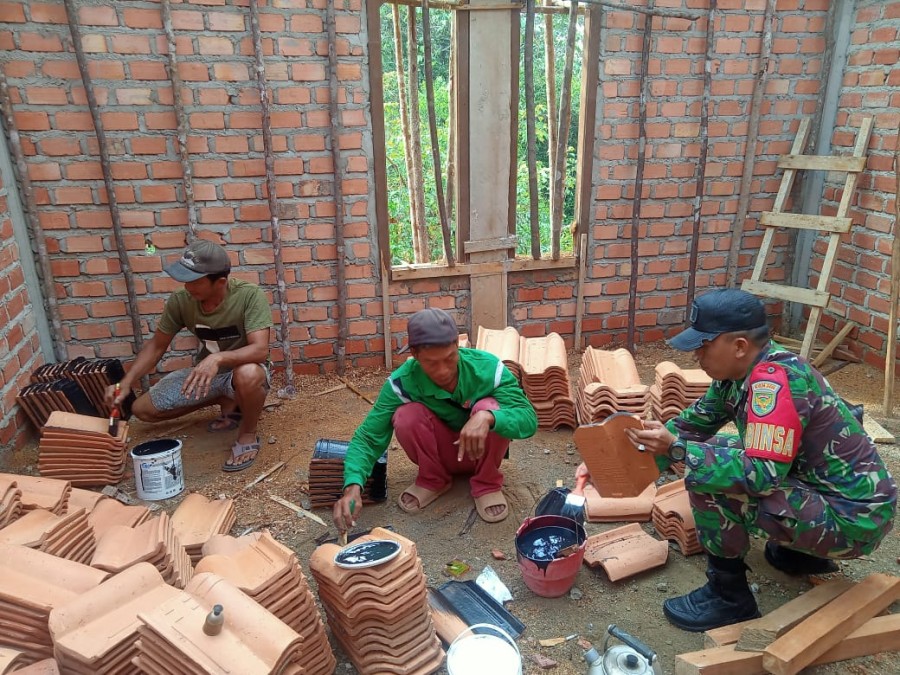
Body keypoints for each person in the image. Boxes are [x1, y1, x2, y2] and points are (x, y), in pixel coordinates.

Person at [585, 289, 896, 632]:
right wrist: (609, 463)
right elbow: (689, 426)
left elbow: (760, 475)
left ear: (739, 346)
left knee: (709, 476)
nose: (697, 355)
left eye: (704, 346)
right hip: (826, 490)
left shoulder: (773, 384)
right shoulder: (737, 376)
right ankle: (802, 553)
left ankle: (728, 596)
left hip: (853, 518)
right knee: (714, 450)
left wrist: (678, 450)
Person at [333, 308, 538, 532]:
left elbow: (528, 419)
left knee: (491, 408)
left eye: (450, 358)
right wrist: (352, 486)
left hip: (480, 452)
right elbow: (368, 437)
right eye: (432, 363)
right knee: (405, 415)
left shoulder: (489, 369)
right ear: (415, 354)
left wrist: (488, 417)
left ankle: (486, 482)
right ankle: (434, 479)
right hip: (441, 455)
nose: (443, 371)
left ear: (457, 347)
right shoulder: (402, 383)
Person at [105, 239, 273, 473]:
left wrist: (217, 358)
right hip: (206, 376)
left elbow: (259, 350)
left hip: (240, 373)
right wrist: (124, 383)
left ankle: (247, 433)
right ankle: (225, 400)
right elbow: (156, 346)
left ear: (220, 282)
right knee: (142, 410)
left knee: (247, 373)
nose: (186, 286)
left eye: (193, 280)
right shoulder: (181, 301)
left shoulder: (249, 296)